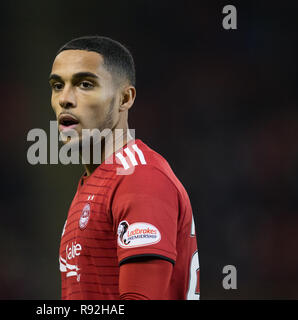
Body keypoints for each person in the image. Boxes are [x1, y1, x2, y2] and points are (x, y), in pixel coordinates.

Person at [49, 36, 199, 300]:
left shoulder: (140, 178)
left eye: (85, 84)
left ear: (125, 98)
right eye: (57, 85)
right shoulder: (94, 183)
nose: (65, 99)